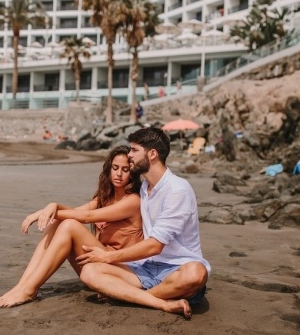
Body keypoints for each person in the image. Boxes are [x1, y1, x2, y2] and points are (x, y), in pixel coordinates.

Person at [77, 127, 210, 319]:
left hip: (177, 269)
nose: (129, 155)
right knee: (89, 272)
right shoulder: (145, 188)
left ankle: (131, 296)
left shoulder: (177, 190)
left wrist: (107, 256)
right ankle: (160, 302)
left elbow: (155, 245)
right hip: (146, 268)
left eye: (134, 150)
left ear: (152, 154)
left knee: (196, 273)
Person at [0, 145, 143, 308]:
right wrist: (52, 207)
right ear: (109, 169)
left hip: (121, 269)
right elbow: (75, 211)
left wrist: (48, 211)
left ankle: (29, 290)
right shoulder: (104, 198)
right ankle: (23, 285)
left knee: (69, 225)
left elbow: (88, 217)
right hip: (98, 262)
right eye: (115, 168)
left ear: (132, 173)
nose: (119, 174)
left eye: (125, 170)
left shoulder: (133, 201)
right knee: (57, 221)